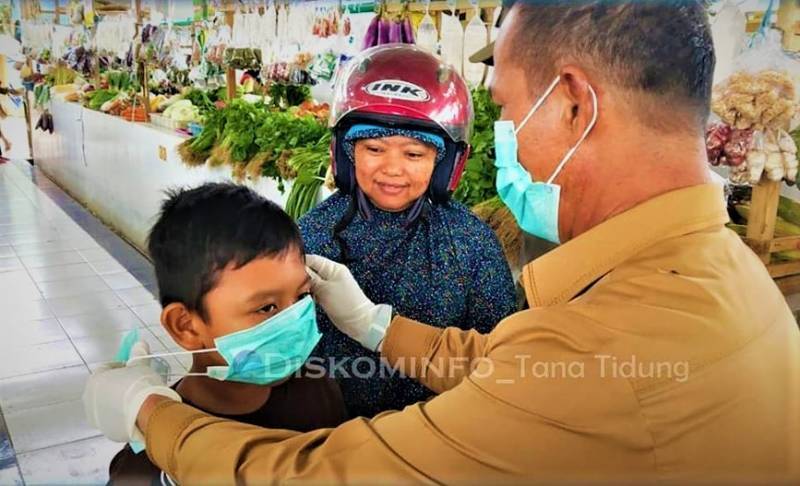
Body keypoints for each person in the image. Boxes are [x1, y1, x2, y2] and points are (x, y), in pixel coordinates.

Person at [84, 1, 800, 483]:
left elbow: (324, 476)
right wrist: (376, 324)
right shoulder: (725, 272)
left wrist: (149, 410)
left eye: (510, 110)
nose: (507, 135)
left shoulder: (598, 336)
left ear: (575, 105)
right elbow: (516, 363)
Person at [298, 44, 517, 417]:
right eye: (373, 149)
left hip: (431, 433)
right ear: (345, 154)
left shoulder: (472, 244)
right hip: (324, 433)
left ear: (445, 163)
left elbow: (495, 359)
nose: (392, 169)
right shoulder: (312, 234)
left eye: (414, 154)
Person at [102, 183, 348, 485]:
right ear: (186, 325)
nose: (294, 321)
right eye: (268, 307)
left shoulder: (318, 389)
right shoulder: (148, 460)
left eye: (301, 297)